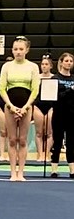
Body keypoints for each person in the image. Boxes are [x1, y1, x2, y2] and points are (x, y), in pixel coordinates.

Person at [0, 36, 40, 181]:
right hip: (10, 106)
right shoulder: (7, 66)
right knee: (12, 139)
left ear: (27, 50)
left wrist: (25, 107)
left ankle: (21, 172)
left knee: (22, 140)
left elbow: (35, 89)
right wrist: (10, 106)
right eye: (15, 49)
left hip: (26, 106)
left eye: (21, 49)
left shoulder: (33, 67)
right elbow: (2, 88)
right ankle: (12, 172)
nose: (18, 52)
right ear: (12, 50)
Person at [50, 50, 74, 178]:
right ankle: (54, 169)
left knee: (71, 143)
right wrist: (69, 90)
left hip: (72, 115)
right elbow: (56, 97)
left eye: (71, 61)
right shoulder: (55, 78)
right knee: (57, 141)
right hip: (59, 114)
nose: (68, 63)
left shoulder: (73, 78)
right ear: (61, 62)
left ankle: (72, 170)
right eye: (66, 61)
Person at [32, 53, 56, 164]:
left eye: (46, 64)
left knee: (49, 132)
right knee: (39, 132)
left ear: (51, 66)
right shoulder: (36, 78)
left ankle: (46, 153)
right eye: (42, 64)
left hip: (50, 105)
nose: (44, 66)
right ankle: (40, 154)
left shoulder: (54, 78)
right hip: (38, 105)